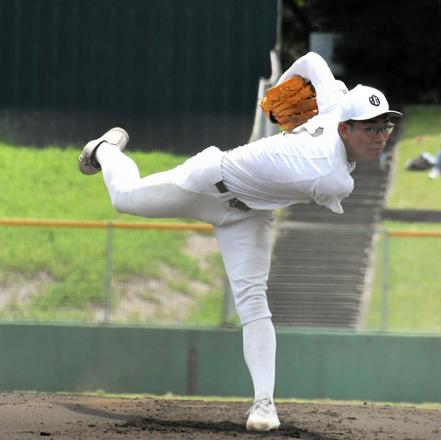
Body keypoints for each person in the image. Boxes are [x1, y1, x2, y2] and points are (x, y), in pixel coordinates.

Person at [76, 51, 402, 432]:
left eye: (384, 127)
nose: (379, 137)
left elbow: (313, 60)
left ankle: (264, 404)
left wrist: (281, 91)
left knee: (252, 301)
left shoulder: (333, 111)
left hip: (249, 216)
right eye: (370, 128)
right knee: (124, 198)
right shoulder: (335, 178)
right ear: (346, 129)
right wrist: (296, 107)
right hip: (208, 180)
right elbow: (317, 86)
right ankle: (105, 149)